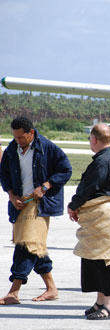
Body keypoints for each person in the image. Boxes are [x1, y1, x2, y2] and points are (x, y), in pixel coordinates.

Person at [0, 116, 72, 305]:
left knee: (27, 243)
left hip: (39, 204)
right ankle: (51, 288)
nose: (18, 141)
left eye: (21, 138)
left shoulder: (47, 147)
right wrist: (11, 195)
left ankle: (14, 291)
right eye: (15, 137)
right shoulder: (11, 149)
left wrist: (46, 186)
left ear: (31, 133)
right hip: (19, 203)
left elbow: (66, 170)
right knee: (35, 246)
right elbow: (4, 174)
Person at [67, 123, 110, 320]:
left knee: (103, 260)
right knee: (97, 258)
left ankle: (109, 305)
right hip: (104, 215)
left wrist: (73, 205)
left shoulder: (102, 161)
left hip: (103, 216)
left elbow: (89, 188)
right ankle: (101, 301)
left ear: (94, 139)